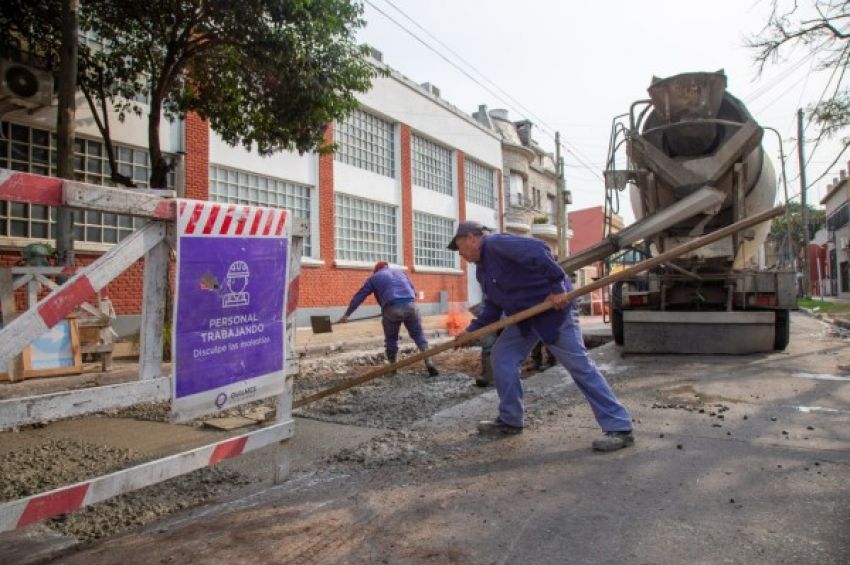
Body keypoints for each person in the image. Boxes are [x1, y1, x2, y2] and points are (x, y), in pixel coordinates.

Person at [448, 220, 634, 451]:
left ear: (471, 238)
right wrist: (471, 331)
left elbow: (539, 250)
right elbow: (493, 307)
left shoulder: (497, 244)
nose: (460, 255)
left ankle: (619, 426)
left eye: (459, 247)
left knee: (579, 366)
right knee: (502, 357)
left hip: (553, 313)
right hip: (524, 319)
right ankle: (510, 419)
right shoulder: (482, 269)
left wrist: (558, 290)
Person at [339, 261, 439, 377]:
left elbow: (360, 296)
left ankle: (393, 369)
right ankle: (429, 362)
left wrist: (347, 314)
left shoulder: (374, 277)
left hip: (392, 309)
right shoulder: (400, 272)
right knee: (418, 335)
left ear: (376, 270)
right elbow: (413, 291)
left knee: (391, 339)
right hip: (411, 306)